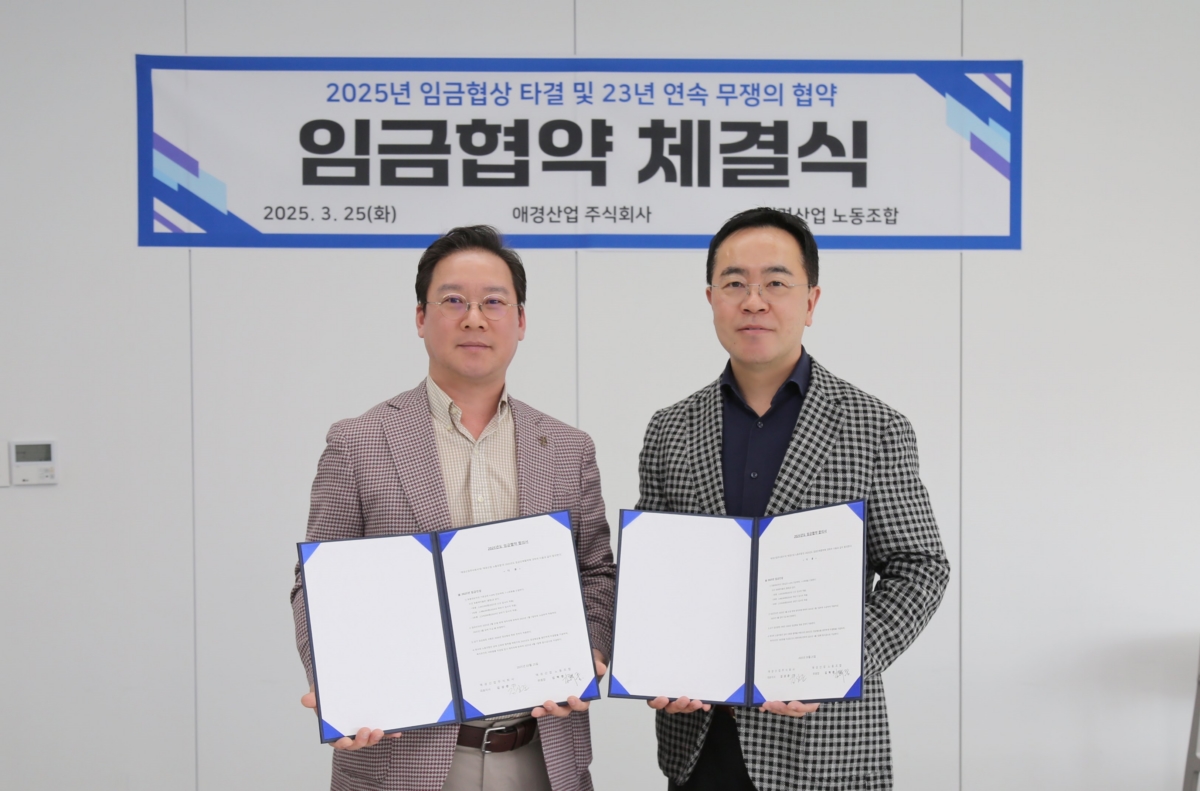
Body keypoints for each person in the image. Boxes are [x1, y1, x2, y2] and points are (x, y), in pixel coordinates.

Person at [289, 225, 615, 791]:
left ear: (520, 320)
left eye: (494, 302)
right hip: (403, 757)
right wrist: (341, 686)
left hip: (540, 756)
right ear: (421, 317)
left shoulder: (568, 448)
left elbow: (595, 572)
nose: (474, 319)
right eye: (454, 301)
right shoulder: (358, 442)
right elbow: (317, 584)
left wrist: (589, 649)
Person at [638, 207, 950, 790]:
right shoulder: (670, 429)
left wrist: (841, 663)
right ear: (711, 299)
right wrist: (654, 662)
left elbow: (920, 567)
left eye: (776, 283)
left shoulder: (874, 427)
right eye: (735, 283)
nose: (754, 302)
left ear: (811, 301)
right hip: (701, 743)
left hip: (823, 746)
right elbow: (655, 576)